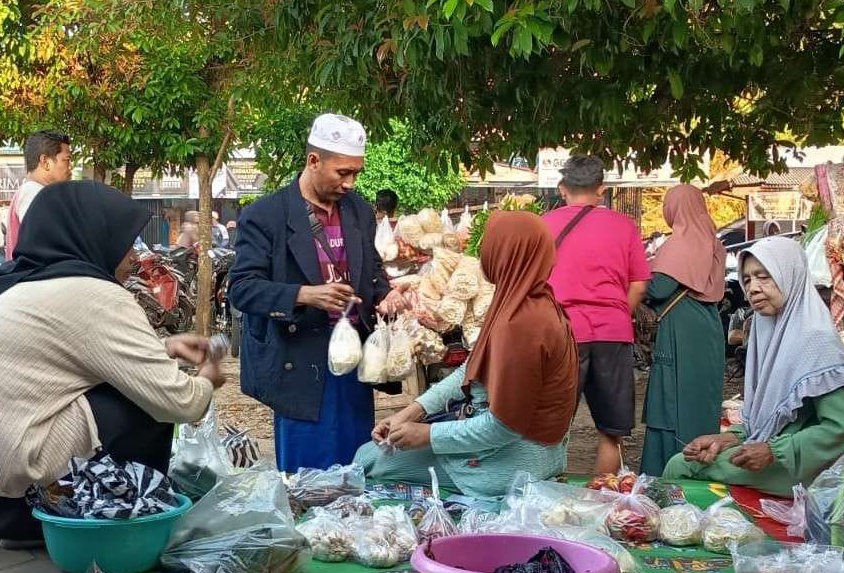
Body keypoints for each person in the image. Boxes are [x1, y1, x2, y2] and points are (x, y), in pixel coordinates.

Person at [0, 182, 224, 547]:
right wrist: (207, 379)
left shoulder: (10, 279)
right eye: (126, 243)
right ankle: (46, 518)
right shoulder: (95, 293)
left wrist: (164, 347)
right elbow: (178, 402)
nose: (135, 257)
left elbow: (62, 353)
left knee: (111, 388)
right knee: (144, 407)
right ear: (96, 237)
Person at [354, 212, 578, 496]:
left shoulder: (521, 325)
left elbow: (503, 427)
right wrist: (412, 412)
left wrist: (427, 435)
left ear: (505, 255)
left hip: (509, 463)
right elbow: (471, 368)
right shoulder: (533, 300)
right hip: (535, 452)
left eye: (489, 246)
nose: (482, 255)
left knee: (368, 459)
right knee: (376, 451)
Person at [230, 113, 400, 472]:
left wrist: (385, 294)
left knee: (357, 465)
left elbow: (371, 270)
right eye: (343, 173)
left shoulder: (358, 211)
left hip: (353, 359)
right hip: (299, 361)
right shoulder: (266, 215)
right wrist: (305, 295)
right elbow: (242, 289)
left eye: (356, 173)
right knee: (305, 476)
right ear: (313, 160)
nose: (350, 183)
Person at [663, 238, 844, 495]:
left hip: (807, 468)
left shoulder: (815, 339)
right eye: (747, 280)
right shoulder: (766, 330)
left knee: (680, 467)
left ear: (789, 276)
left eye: (763, 277)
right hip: (779, 455)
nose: (753, 288)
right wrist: (727, 439)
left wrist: (775, 451)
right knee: (690, 461)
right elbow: (766, 420)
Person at [543, 155, 650, 475]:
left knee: (549, 429)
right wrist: (617, 314)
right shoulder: (624, 226)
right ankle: (604, 496)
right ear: (601, 189)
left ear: (562, 188)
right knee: (610, 431)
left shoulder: (543, 226)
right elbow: (639, 284)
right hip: (612, 334)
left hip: (561, 332)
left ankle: (548, 495)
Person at [640, 185, 727, 476]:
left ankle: (668, 473)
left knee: (671, 400)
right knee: (698, 401)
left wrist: (634, 275)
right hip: (706, 326)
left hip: (682, 329)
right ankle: (699, 469)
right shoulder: (710, 239)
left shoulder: (681, 242)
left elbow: (660, 288)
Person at [5, 130, 72, 260]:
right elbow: (47, 243)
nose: (70, 166)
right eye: (67, 160)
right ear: (45, 161)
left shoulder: (36, 192)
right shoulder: (32, 192)